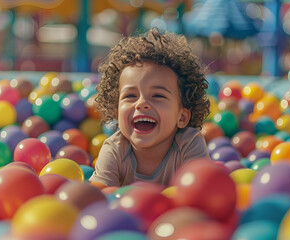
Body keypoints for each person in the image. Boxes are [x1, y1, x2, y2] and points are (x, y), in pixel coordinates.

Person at [89, 28, 210, 187]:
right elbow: (99, 197)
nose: (141, 103)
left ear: (181, 117)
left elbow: (201, 192)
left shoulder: (189, 144)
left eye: (158, 96)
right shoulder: (114, 149)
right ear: (117, 113)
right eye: (130, 96)